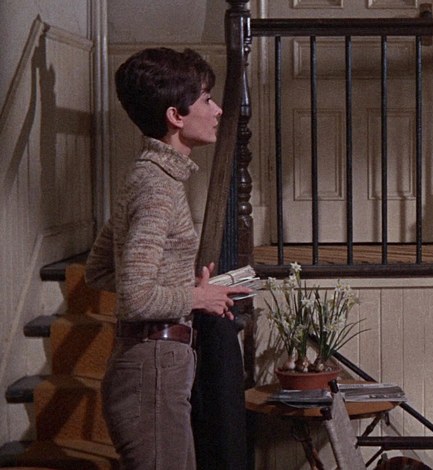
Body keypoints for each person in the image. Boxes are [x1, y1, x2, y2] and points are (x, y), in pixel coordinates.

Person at [85, 47, 251, 470]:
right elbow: (136, 298)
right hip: (152, 372)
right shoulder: (156, 186)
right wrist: (197, 297)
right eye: (206, 99)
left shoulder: (149, 175)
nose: (217, 110)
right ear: (176, 116)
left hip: (153, 368)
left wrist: (183, 286)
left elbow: (99, 270)